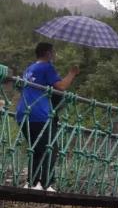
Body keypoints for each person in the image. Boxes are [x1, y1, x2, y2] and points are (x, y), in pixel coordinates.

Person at [16, 42, 79, 191]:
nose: (55, 54)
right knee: (50, 148)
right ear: (47, 53)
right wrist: (72, 73)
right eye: (53, 52)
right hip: (39, 113)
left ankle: (32, 183)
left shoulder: (30, 69)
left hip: (23, 113)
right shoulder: (47, 67)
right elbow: (61, 86)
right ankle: (45, 184)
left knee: (36, 148)